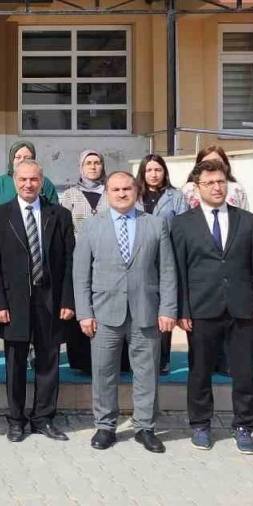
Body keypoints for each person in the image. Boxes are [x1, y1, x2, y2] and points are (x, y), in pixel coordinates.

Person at [171, 158, 253, 455]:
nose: (216, 187)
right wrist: (182, 310)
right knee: (200, 371)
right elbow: (179, 270)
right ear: (197, 187)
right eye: (210, 183)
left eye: (220, 182)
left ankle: (244, 426)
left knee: (244, 372)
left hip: (242, 309)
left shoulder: (246, 220)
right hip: (201, 309)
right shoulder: (183, 224)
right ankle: (200, 424)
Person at [73, 171, 177, 455]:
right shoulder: (91, 227)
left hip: (146, 311)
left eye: (126, 189)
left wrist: (168, 308)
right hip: (104, 312)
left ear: (136, 191)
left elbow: (167, 271)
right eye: (115, 189)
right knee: (103, 371)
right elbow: (80, 274)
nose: (121, 194)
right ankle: (105, 426)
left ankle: (145, 427)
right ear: (107, 193)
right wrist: (84, 312)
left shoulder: (155, 225)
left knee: (147, 372)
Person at [0, 158, 74, 443]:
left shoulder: (59, 215)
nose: (28, 184)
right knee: (15, 363)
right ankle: (15, 420)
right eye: (23, 179)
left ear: (42, 181)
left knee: (49, 361)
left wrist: (68, 300)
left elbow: (69, 261)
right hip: (13, 302)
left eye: (33, 179)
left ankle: (43, 418)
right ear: (14, 181)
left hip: (50, 299)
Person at [178, 145, 249, 377]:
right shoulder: (188, 190)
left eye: (217, 161)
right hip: (202, 267)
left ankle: (226, 362)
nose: (216, 186)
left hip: (230, 264)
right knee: (201, 355)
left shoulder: (236, 188)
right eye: (207, 161)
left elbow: (244, 220)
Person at [56, 149, 110, 375]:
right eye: (88, 163)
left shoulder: (111, 191)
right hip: (79, 257)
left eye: (97, 162)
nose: (93, 166)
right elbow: (64, 228)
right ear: (81, 167)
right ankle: (81, 359)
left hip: (108, 260)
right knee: (81, 304)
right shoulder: (70, 195)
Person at [136, 153, 188, 375]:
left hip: (167, 258)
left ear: (164, 172)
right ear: (142, 173)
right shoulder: (134, 195)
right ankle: (140, 357)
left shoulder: (176, 197)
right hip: (141, 258)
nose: (153, 174)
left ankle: (163, 358)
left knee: (164, 308)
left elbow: (184, 227)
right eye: (149, 170)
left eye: (158, 169)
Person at [0, 141, 59, 215]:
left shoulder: (44, 182)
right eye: (18, 157)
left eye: (27, 158)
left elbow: (55, 213)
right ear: (12, 159)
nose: (22, 161)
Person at [180, 145, 249, 211]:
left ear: (225, 164)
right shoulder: (188, 189)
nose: (212, 166)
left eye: (217, 162)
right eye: (206, 163)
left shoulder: (237, 189)